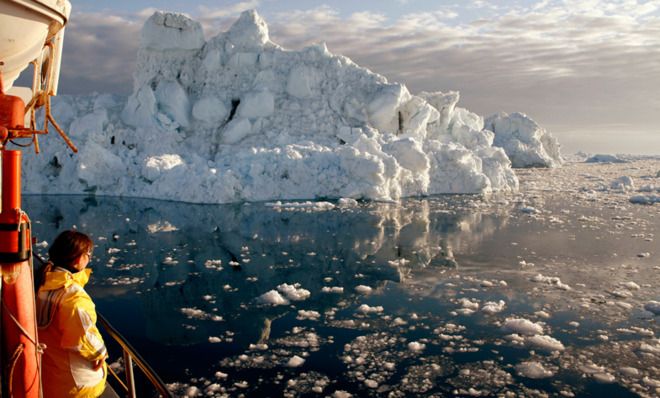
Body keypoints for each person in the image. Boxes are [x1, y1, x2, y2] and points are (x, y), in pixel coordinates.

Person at [36, 230, 108, 397]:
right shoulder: (73, 297)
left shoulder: (41, 281)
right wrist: (101, 352)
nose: (90, 258)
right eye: (89, 254)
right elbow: (83, 339)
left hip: (48, 375)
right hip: (74, 385)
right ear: (78, 259)